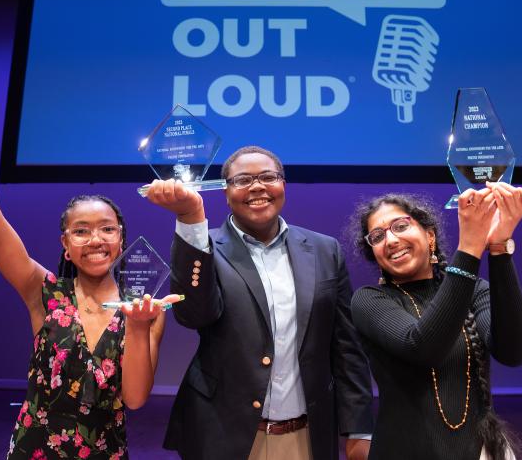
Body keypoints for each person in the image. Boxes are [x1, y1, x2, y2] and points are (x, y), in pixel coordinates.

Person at [0, 95, 180, 459]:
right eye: (81, 231)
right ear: (65, 245)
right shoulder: (45, 290)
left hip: (105, 452)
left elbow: (134, 398)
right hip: (34, 450)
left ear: (121, 241)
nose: (95, 239)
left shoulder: (145, 308)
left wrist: (140, 327)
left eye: (107, 230)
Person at [145, 146, 374, 460]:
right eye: (242, 180)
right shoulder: (202, 247)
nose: (257, 187)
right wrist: (190, 218)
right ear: (226, 193)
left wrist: (359, 427)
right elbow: (193, 314)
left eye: (268, 177)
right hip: (224, 436)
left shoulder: (324, 250)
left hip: (306, 437)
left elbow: (346, 345)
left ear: (283, 185)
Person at [348, 185, 522, 460]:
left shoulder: (474, 290)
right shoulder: (370, 300)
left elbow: (513, 352)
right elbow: (423, 347)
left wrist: (499, 247)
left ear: (430, 235)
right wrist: (469, 249)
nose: (391, 240)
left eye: (400, 226)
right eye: (377, 236)